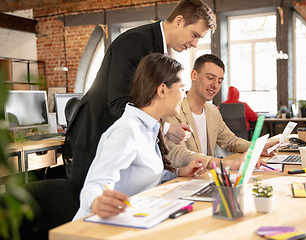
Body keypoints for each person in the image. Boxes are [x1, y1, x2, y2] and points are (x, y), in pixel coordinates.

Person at [66, 0, 216, 188]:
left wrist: (166, 130)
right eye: (194, 35)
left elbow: (146, 102)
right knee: (89, 198)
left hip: (122, 134)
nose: (194, 44)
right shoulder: (135, 41)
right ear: (178, 21)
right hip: (97, 131)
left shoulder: (162, 48)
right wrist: (166, 129)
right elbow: (119, 103)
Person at [73, 53, 207, 220]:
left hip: (134, 216)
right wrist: (97, 201)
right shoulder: (127, 131)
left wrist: (180, 172)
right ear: (163, 90)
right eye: (182, 88)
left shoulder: (149, 127)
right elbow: (94, 185)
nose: (185, 95)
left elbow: (145, 174)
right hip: (96, 226)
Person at [164, 54, 278, 170]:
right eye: (210, 78)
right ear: (194, 75)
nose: (215, 85)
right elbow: (179, 154)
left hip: (206, 177)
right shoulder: (173, 110)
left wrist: (258, 148)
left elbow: (231, 141)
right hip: (181, 180)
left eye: (219, 81)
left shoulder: (212, 110)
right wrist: (227, 164)